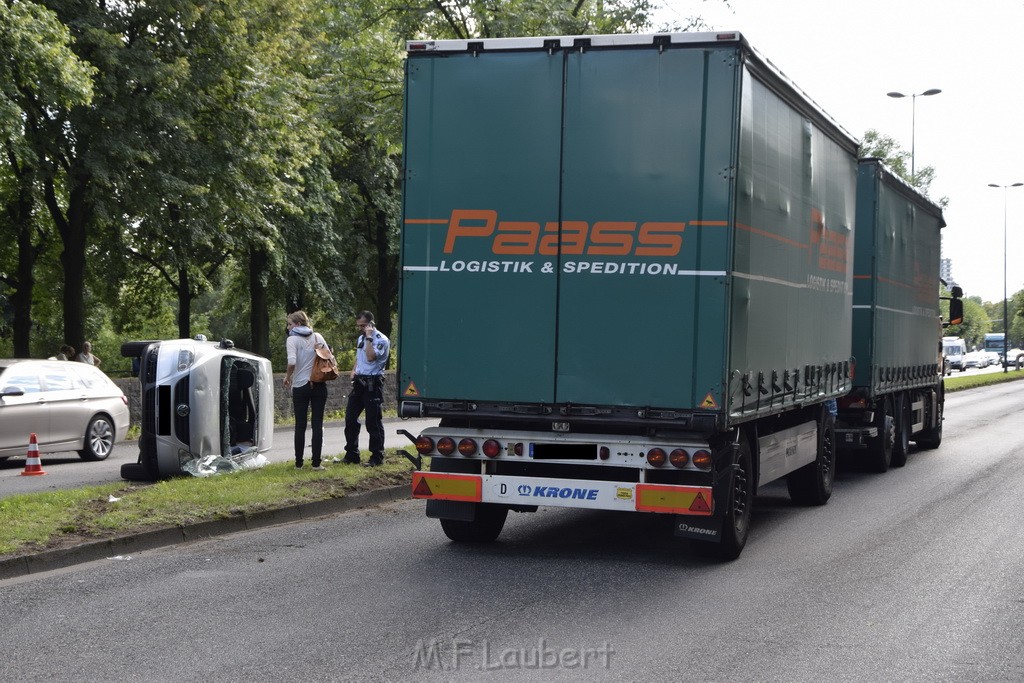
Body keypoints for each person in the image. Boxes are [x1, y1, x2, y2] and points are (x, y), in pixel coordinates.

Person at [338, 310, 390, 466]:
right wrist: (354, 369)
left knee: (372, 421)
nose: (360, 329)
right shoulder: (361, 338)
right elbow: (360, 356)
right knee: (350, 418)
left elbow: (371, 356)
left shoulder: (381, 340)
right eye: (359, 326)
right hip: (360, 382)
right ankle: (352, 454)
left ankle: (377, 456)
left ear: (370, 324)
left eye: (363, 325)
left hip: (373, 383)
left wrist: (369, 337)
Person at [282, 311, 329, 470]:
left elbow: (292, 362)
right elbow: (329, 357)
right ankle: (316, 464)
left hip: (301, 386)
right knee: (317, 423)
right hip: (318, 384)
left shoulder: (292, 340)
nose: (288, 327)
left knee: (300, 425)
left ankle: (299, 464)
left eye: (289, 324)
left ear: (297, 324)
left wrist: (288, 376)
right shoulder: (318, 337)